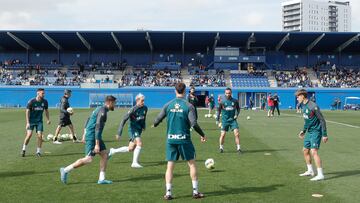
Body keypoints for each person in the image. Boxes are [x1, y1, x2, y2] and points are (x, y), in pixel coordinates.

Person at [153, 82, 207, 200]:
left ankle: (168, 193)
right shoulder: (188, 106)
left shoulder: (168, 105)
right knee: (191, 164)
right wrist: (202, 134)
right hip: (184, 140)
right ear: (185, 91)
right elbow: (194, 123)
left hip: (171, 140)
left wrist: (155, 124)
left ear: (175, 91)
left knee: (170, 166)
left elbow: (157, 120)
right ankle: (195, 192)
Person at [60, 95, 117, 184]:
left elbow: (88, 119)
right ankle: (65, 170)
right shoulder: (103, 111)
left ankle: (101, 179)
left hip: (94, 135)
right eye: (114, 103)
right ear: (110, 102)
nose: (115, 105)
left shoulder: (100, 108)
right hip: (92, 136)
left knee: (105, 155)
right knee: (88, 159)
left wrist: (84, 133)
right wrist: (97, 144)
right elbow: (97, 127)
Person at [296, 89, 328, 181]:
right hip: (309, 132)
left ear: (303, 96)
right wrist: (303, 131)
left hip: (316, 132)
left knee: (314, 151)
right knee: (305, 150)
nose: (297, 98)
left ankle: (320, 174)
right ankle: (310, 171)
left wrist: (324, 134)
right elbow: (307, 121)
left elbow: (322, 120)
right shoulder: (303, 106)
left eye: (298, 96)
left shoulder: (313, 106)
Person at [108, 94, 148, 168]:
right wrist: (119, 133)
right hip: (133, 129)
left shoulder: (145, 108)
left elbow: (144, 118)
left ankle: (113, 151)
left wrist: (143, 126)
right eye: (142, 100)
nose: (143, 102)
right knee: (139, 143)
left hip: (139, 129)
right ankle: (134, 163)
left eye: (144, 100)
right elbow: (123, 120)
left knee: (131, 148)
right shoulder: (133, 109)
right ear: (137, 100)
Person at [21, 88, 51, 157]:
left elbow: (46, 111)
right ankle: (23, 149)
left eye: (44, 93)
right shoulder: (31, 101)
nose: (44, 94)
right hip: (31, 121)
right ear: (38, 93)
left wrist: (48, 119)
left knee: (40, 136)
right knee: (29, 135)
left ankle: (38, 152)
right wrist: (27, 122)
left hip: (39, 122)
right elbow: (27, 112)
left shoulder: (45, 102)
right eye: (42, 93)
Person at [216, 87, 241, 153]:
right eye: (226, 93)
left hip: (233, 120)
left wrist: (236, 115)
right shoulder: (222, 102)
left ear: (231, 93)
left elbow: (238, 109)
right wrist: (217, 120)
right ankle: (221, 148)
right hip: (225, 120)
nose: (228, 94)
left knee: (237, 134)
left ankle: (238, 149)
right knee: (223, 134)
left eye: (229, 93)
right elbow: (218, 111)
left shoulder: (235, 101)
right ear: (225, 93)